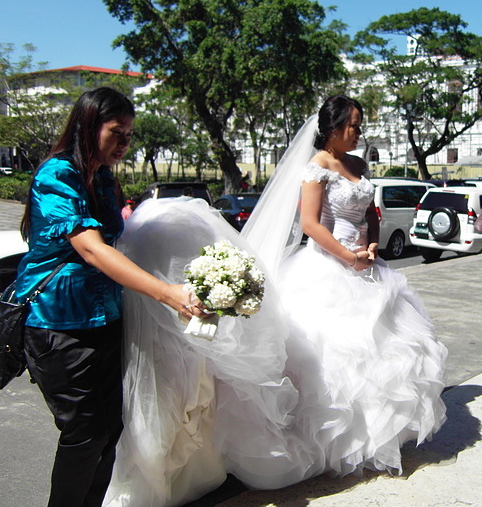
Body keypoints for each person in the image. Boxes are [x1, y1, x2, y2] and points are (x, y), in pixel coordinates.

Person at [104, 95, 447, 505]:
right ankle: (333, 442)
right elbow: (310, 224)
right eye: (353, 125)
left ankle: (376, 437)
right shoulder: (316, 167)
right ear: (333, 129)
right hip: (328, 267)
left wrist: (371, 247)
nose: (358, 132)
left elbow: (370, 215)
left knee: (387, 352)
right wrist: (348, 256)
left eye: (360, 125)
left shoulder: (359, 165)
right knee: (333, 359)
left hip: (367, 267)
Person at [15, 87, 206, 507]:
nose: (124, 143)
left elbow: (122, 239)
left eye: (130, 135)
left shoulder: (103, 178)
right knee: (84, 433)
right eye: (117, 132)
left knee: (110, 430)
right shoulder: (56, 175)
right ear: (87, 126)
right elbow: (91, 247)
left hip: (106, 319)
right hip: (57, 324)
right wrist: (166, 293)